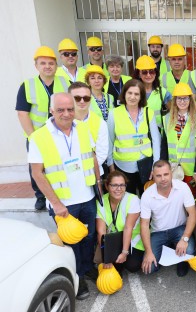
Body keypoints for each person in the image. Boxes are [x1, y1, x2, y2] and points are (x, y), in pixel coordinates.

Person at [28, 92, 102, 300]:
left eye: (70, 109)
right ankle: (78, 279)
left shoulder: (83, 128)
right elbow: (37, 173)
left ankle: (87, 267)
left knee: (88, 238)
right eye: (61, 110)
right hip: (64, 204)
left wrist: (98, 185)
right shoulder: (39, 137)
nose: (67, 113)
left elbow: (93, 157)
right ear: (52, 111)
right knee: (71, 243)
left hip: (87, 197)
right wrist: (55, 203)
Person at [16, 46, 69, 210]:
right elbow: (22, 113)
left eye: (51, 63)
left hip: (59, 133)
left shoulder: (64, 82)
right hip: (37, 134)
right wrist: (33, 137)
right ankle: (40, 196)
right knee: (37, 167)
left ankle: (59, 191)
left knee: (59, 164)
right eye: (43, 63)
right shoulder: (27, 85)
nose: (48, 66)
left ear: (56, 65)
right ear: (36, 66)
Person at [140, 160, 196, 276]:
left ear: (171, 173)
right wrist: (149, 252)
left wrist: (185, 239)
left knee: (190, 250)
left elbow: (193, 214)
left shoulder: (183, 187)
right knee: (149, 268)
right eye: (158, 176)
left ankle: (180, 258)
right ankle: (169, 250)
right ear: (153, 177)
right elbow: (144, 224)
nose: (163, 179)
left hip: (179, 229)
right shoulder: (147, 195)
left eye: (166, 174)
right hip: (158, 232)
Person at [107, 79, 161, 196]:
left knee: (147, 198)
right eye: (129, 93)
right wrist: (111, 167)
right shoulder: (113, 113)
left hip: (145, 164)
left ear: (141, 96)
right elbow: (110, 141)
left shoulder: (148, 112)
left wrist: (155, 165)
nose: (132, 97)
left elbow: (156, 140)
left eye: (136, 94)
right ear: (124, 94)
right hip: (122, 166)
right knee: (127, 200)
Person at [96, 171, 144, 273]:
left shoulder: (133, 200)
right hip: (114, 239)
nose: (119, 189)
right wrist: (106, 257)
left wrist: (124, 252)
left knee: (132, 266)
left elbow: (128, 228)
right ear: (107, 186)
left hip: (132, 239)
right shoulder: (101, 202)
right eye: (114, 185)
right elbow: (101, 231)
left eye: (122, 185)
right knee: (110, 264)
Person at [160, 82, 196, 195]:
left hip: (190, 172)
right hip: (172, 169)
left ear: (190, 100)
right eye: (179, 99)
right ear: (175, 101)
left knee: (190, 201)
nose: (182, 102)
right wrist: (163, 167)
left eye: (185, 99)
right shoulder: (167, 119)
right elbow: (164, 145)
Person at [70, 82, 108, 178]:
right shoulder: (61, 122)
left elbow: (102, 153)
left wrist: (83, 170)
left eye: (86, 98)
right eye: (77, 98)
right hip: (69, 174)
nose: (82, 101)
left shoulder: (100, 123)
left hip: (93, 173)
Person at [134, 55, 171, 130]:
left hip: (158, 134)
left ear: (155, 73)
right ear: (139, 74)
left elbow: (173, 112)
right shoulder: (132, 92)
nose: (148, 75)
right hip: (138, 134)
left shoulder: (162, 92)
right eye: (144, 72)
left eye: (151, 71)